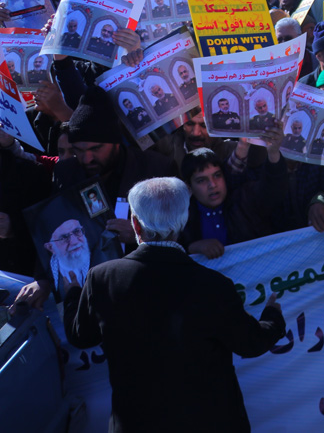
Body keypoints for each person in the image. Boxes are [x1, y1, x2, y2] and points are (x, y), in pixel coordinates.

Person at [62, 177, 286, 432]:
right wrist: (273, 317)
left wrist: (71, 294)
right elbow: (251, 342)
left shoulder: (102, 279)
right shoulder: (213, 285)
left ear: (135, 223)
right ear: (184, 220)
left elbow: (81, 336)